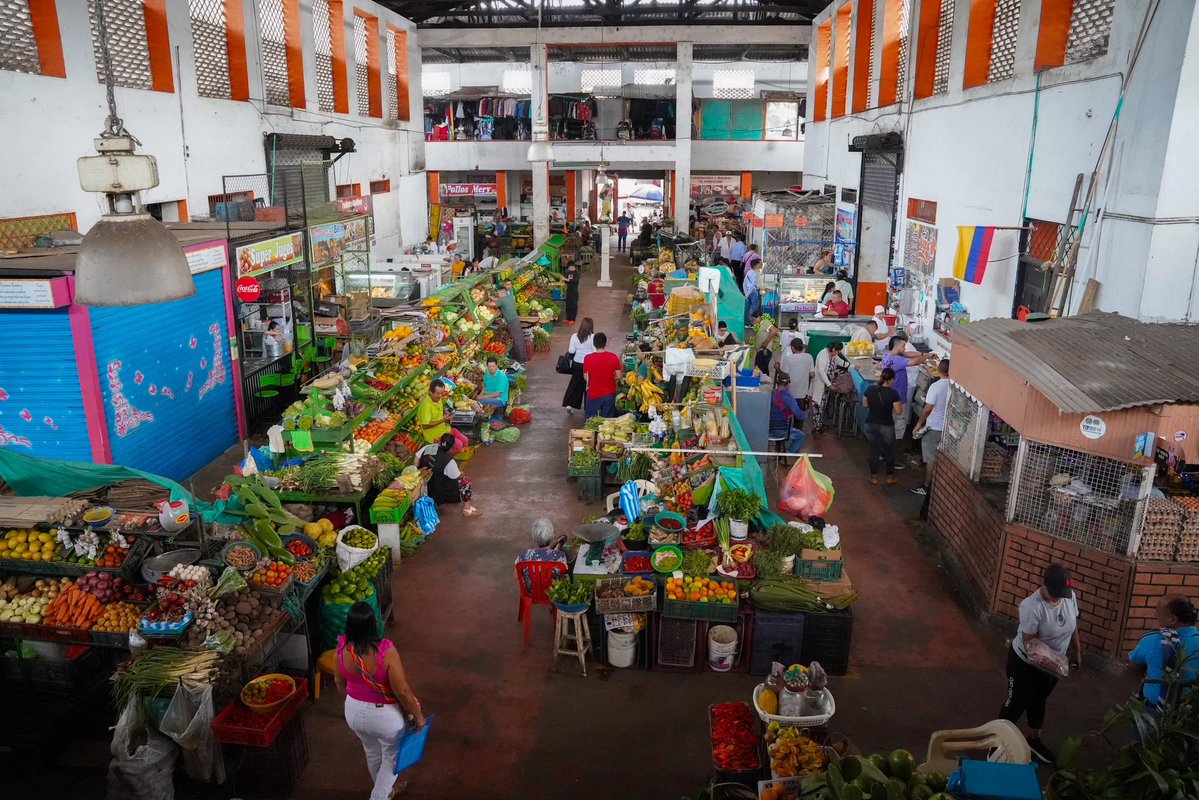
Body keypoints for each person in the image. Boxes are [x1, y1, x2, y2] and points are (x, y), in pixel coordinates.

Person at [335, 602, 426, 800]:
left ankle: (387, 791)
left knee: (372, 753)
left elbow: (338, 681)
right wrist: (419, 716)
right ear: (373, 624)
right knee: (392, 759)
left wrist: (350, 702)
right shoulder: (385, 650)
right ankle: (379, 796)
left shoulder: (342, 647)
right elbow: (402, 691)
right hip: (385, 717)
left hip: (353, 711)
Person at [1000, 563, 1081, 766]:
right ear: (1043, 584)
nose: (1058, 597)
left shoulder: (1069, 596)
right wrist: (1055, 662)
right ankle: (998, 743)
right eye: (1055, 593)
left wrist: (1076, 651)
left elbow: (1073, 626)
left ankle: (1033, 740)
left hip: (1053, 666)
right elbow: (1030, 643)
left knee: (1038, 700)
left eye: (1062, 593)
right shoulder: (1031, 606)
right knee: (1015, 704)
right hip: (1025, 664)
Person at [1130, 594, 1199, 712]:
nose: (1155, 615)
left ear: (1173, 619)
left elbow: (1135, 661)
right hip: (1190, 713)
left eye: (1158, 612)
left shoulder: (1152, 640)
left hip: (1154, 709)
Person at [881, 336, 938, 441]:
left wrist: (924, 354)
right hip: (897, 396)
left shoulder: (888, 355)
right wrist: (926, 357)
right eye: (903, 346)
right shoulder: (897, 360)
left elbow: (907, 354)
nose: (905, 349)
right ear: (897, 346)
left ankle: (887, 440)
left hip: (888, 394)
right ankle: (895, 442)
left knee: (890, 419)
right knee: (899, 419)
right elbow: (915, 362)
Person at [912, 359, 951, 496]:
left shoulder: (936, 386)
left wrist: (918, 424)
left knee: (930, 458)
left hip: (934, 426)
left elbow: (928, 408)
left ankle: (927, 486)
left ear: (939, 370)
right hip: (947, 428)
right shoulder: (954, 386)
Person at [418, 433, 482, 517]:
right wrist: (461, 474)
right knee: (466, 481)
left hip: (425, 486)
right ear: (452, 447)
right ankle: (467, 509)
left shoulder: (428, 447)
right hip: (440, 491)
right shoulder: (449, 461)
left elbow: (416, 460)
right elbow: (456, 476)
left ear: (440, 442)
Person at [862, 367, 904, 485]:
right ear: (890, 380)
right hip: (886, 426)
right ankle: (890, 477)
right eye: (894, 380)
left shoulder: (870, 389)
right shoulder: (893, 393)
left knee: (874, 450)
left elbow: (865, 404)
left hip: (870, 424)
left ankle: (873, 477)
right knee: (889, 451)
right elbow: (898, 411)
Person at [515, 517, 569, 593]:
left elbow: (517, 576)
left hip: (531, 592)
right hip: (554, 594)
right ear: (552, 535)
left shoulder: (524, 555)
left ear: (533, 537)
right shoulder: (560, 556)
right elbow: (563, 577)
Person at [416, 380, 468, 454]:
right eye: (438, 393)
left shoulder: (437, 398)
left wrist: (445, 411)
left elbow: (440, 406)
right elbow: (424, 426)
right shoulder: (426, 406)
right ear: (431, 392)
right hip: (435, 435)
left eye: (441, 393)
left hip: (444, 429)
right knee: (459, 446)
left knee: (465, 441)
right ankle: (445, 456)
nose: (440, 396)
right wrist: (443, 420)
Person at [582, 332, 622, 420]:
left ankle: (591, 434)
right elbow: (619, 376)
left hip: (593, 393)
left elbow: (586, 377)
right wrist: (609, 378)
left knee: (590, 421)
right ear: (605, 343)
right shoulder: (613, 357)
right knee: (607, 422)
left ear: (593, 343)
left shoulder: (588, 358)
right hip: (609, 394)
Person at [811, 341, 848, 436]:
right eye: (838, 351)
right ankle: (816, 428)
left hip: (826, 386)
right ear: (833, 349)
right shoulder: (823, 354)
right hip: (821, 385)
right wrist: (829, 385)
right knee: (818, 405)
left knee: (823, 406)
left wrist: (852, 366)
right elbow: (821, 371)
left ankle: (819, 424)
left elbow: (840, 362)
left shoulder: (833, 355)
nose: (838, 353)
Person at [561, 317, 595, 414]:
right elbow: (594, 351)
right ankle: (587, 407)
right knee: (588, 385)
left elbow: (571, 351)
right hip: (588, 365)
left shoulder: (574, 336)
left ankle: (569, 404)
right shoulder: (593, 337)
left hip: (576, 364)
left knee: (574, 384)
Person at [769, 371, 807, 454]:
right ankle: (788, 453)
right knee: (800, 436)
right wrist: (806, 414)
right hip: (782, 431)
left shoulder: (771, 393)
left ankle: (777, 449)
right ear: (787, 383)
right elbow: (799, 416)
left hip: (768, 429)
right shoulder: (788, 397)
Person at [495, 284, 527, 363]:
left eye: (498, 294)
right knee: (520, 340)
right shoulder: (508, 297)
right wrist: (490, 297)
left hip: (513, 323)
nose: (498, 295)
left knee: (517, 341)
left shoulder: (503, 300)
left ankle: (521, 360)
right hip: (516, 321)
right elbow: (497, 300)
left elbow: (493, 304)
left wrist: (484, 302)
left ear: (502, 293)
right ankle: (523, 358)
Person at [779, 338, 815, 406]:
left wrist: (778, 369)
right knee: (799, 413)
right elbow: (812, 374)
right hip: (803, 393)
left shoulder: (788, 359)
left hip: (790, 392)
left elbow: (784, 375)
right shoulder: (809, 357)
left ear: (793, 347)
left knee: (788, 413)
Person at [742, 253, 761, 325]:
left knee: (747, 308)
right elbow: (753, 285)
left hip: (748, 291)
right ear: (756, 265)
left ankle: (746, 322)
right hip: (753, 292)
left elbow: (744, 283)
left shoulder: (748, 272)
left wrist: (746, 292)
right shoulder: (755, 274)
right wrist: (747, 294)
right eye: (759, 264)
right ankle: (754, 322)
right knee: (755, 308)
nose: (760, 265)